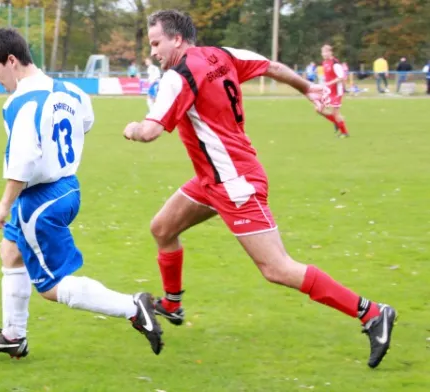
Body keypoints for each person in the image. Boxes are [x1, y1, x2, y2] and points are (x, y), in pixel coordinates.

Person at [122, 9, 396, 369]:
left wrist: (131, 128)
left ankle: (372, 313)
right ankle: (172, 305)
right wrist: (309, 87)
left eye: (156, 43)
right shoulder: (223, 54)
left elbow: (151, 131)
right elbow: (272, 67)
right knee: (163, 228)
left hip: (234, 182)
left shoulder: (179, 76)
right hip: (213, 178)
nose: (154, 51)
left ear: (176, 39)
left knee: (277, 268)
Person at [0, 28, 163, 358]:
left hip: (39, 201)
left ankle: (133, 306)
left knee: (50, 287)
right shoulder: (72, 92)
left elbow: (24, 158)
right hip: (67, 188)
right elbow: (85, 123)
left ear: (12, 61)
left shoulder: (19, 103)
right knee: (11, 251)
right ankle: (13, 335)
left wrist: (4, 203)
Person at [319, 45, 349, 137]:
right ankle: (336, 122)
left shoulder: (335, 63)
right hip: (328, 91)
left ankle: (344, 132)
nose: (324, 54)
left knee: (336, 113)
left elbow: (341, 77)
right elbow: (327, 77)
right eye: (323, 52)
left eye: (326, 52)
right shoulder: (324, 63)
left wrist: (329, 83)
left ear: (330, 52)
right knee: (319, 109)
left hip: (337, 91)